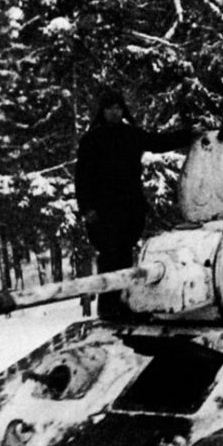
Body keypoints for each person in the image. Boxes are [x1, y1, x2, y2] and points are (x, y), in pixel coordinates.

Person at [74, 88, 196, 319]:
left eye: (118, 107)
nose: (115, 112)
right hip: (102, 211)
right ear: (102, 111)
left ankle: (124, 304)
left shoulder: (130, 134)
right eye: (110, 108)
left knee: (125, 257)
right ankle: (108, 307)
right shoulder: (91, 139)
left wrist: (188, 135)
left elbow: (158, 142)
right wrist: (87, 208)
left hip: (129, 208)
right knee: (109, 257)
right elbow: (82, 178)